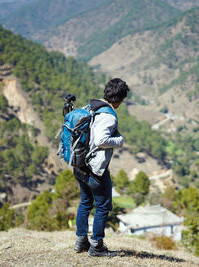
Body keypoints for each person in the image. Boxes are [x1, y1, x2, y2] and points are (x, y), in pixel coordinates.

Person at [73, 78, 129, 257]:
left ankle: (81, 241)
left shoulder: (91, 107)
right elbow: (100, 140)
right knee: (103, 205)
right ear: (119, 99)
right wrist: (118, 140)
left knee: (85, 202)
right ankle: (96, 246)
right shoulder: (108, 115)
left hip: (80, 164)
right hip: (94, 169)